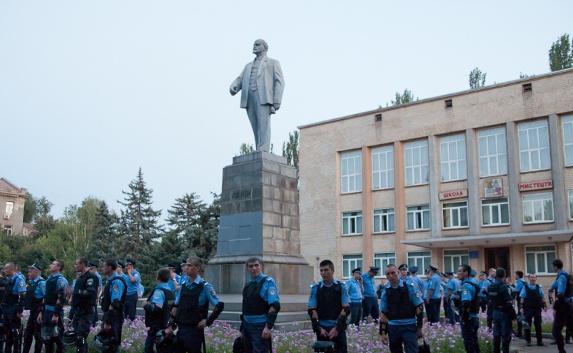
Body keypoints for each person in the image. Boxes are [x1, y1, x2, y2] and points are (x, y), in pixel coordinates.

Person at [229, 39, 285, 153]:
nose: (254, 46)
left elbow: (280, 82)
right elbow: (240, 78)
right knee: (255, 125)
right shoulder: (248, 66)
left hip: (263, 98)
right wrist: (234, 86)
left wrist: (276, 101)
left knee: (263, 125)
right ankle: (259, 148)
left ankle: (263, 149)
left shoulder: (272, 63)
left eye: (257, 44)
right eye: (254, 44)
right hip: (249, 98)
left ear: (264, 47)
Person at [172, 256, 224, 353]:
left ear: (197, 268)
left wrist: (208, 321)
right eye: (186, 265)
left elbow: (219, 305)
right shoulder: (183, 284)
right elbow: (176, 304)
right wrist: (172, 320)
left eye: (189, 265)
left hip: (194, 330)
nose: (186, 268)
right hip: (180, 328)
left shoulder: (205, 287)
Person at [379, 264, 423, 353]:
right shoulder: (385, 291)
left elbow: (420, 307)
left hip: (409, 326)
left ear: (398, 273)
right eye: (388, 274)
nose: (390, 276)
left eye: (393, 273)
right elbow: (383, 313)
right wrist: (383, 333)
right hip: (393, 327)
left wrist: (419, 328)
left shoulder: (409, 287)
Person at [308, 259, 350, 353]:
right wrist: (318, 328)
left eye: (326, 270)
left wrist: (337, 328)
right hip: (322, 330)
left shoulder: (341, 287)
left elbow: (346, 309)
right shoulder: (316, 288)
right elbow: (312, 310)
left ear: (332, 270)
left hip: (338, 329)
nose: (323, 273)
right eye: (321, 270)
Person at [240, 257, 280, 353]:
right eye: (251, 266)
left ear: (261, 266)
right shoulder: (248, 285)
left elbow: (274, 306)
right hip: (246, 326)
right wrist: (242, 328)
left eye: (256, 265)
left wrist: (268, 327)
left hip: (260, 327)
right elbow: (245, 307)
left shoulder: (268, 282)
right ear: (247, 269)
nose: (254, 268)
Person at [70, 257, 98, 353]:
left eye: (77, 264)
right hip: (78, 311)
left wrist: (76, 292)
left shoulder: (91, 277)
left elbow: (90, 292)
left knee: (81, 337)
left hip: (86, 312)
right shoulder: (80, 278)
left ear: (82, 264)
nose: (75, 266)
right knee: (78, 338)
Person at [143, 268, 175, 353]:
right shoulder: (170, 291)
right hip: (166, 325)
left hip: (157, 326)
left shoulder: (159, 290)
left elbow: (156, 308)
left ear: (157, 278)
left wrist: (146, 305)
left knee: (149, 349)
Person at [40, 260, 68, 353]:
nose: (50, 265)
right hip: (46, 312)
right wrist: (41, 311)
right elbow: (45, 296)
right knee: (47, 339)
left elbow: (61, 298)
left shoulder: (61, 280)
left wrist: (56, 314)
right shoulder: (48, 279)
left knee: (57, 338)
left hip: (55, 313)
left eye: (53, 264)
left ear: (58, 267)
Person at [99, 260, 126, 353]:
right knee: (106, 344)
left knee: (112, 344)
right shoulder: (110, 280)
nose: (102, 268)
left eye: (104, 266)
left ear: (110, 267)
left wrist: (108, 322)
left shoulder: (117, 281)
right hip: (110, 315)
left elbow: (115, 303)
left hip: (114, 317)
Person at [488, 268, 515, 353]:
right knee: (506, 336)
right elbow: (508, 302)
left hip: (495, 312)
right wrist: (513, 316)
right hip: (504, 313)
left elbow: (489, 300)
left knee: (496, 335)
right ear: (504, 275)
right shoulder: (504, 287)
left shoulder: (490, 286)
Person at [2, 262, 26, 353]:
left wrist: (19, 310)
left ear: (11, 269)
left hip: (14, 309)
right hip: (7, 308)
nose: (4, 270)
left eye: (6, 269)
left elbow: (22, 295)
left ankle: (16, 350)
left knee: (15, 333)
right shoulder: (9, 279)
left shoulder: (18, 279)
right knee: (7, 333)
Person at [455, 264, 481, 353]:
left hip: (469, 319)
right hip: (474, 317)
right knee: (474, 343)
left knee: (469, 344)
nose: (457, 273)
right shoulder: (473, 282)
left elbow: (466, 303)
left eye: (459, 271)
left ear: (466, 273)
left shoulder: (466, 285)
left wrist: (464, 319)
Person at [550, 259, 572, 353]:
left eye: (553, 266)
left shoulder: (562, 277)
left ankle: (562, 351)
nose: (552, 268)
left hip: (563, 306)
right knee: (569, 328)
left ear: (555, 266)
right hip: (567, 305)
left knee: (556, 331)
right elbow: (553, 286)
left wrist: (555, 306)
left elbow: (560, 294)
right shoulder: (562, 275)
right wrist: (550, 290)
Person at [22, 264, 45, 353]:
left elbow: (45, 298)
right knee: (27, 334)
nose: (28, 273)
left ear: (37, 272)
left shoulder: (42, 283)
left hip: (38, 311)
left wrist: (41, 312)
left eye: (30, 271)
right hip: (32, 311)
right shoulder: (32, 282)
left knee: (38, 335)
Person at [520, 273, 545, 347]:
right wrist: (521, 307)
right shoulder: (525, 287)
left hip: (537, 308)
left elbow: (542, 296)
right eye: (531, 277)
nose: (533, 278)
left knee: (538, 325)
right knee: (527, 325)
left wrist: (545, 305)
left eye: (534, 277)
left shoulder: (539, 287)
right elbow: (522, 298)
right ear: (529, 278)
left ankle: (539, 341)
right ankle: (528, 341)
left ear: (536, 278)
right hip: (528, 308)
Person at [512, 271, 526, 337]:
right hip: (522, 301)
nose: (514, 276)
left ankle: (521, 333)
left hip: (521, 301)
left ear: (518, 275)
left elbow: (516, 290)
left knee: (520, 317)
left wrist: (509, 287)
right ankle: (521, 332)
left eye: (515, 275)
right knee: (521, 316)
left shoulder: (520, 282)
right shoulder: (523, 281)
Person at [89, 262, 102, 328]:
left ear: (95, 268)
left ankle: (93, 324)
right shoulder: (91, 275)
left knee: (94, 309)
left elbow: (99, 287)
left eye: (92, 268)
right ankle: (94, 322)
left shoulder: (98, 276)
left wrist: (97, 297)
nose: (90, 270)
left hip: (95, 295)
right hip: (91, 295)